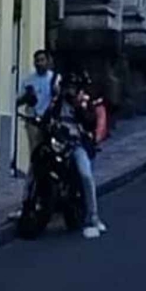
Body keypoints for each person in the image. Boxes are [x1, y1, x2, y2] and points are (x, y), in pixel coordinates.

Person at [49, 73, 108, 239]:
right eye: (67, 87)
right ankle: (28, 203)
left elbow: (91, 121)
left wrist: (79, 107)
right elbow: (49, 117)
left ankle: (93, 216)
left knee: (86, 175)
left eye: (73, 88)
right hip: (58, 143)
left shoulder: (84, 102)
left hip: (76, 145)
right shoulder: (58, 101)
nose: (70, 91)